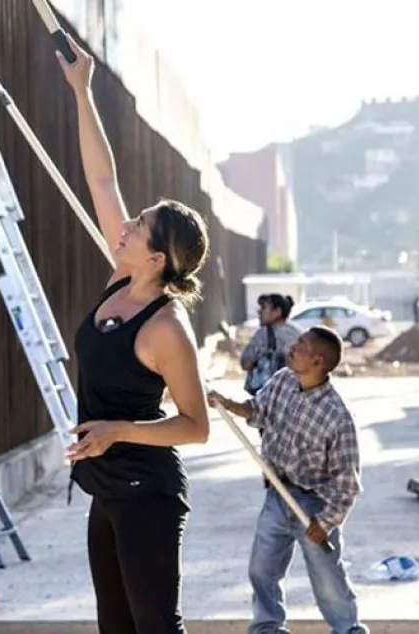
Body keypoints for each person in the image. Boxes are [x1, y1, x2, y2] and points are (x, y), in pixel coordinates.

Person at [57, 35, 210, 634]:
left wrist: (116, 430)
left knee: (155, 628)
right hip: (107, 490)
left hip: (148, 492)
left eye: (137, 225)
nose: (124, 226)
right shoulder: (121, 278)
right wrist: (81, 91)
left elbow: (195, 426)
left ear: (157, 257)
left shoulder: (167, 327)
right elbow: (102, 177)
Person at [208, 327, 368, 634]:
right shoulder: (283, 380)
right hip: (277, 495)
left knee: (328, 581)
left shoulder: (338, 417)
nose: (292, 347)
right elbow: (257, 411)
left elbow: (347, 485)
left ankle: (349, 630)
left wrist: (326, 523)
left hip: (314, 507)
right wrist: (227, 403)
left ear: (318, 361)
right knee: (262, 571)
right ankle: (268, 628)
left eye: (301, 345)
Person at [241, 293, 301, 395]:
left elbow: (245, 363)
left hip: (268, 395)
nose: (259, 311)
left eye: (264, 308)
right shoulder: (299, 333)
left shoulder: (263, 334)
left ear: (277, 311)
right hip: (293, 393)